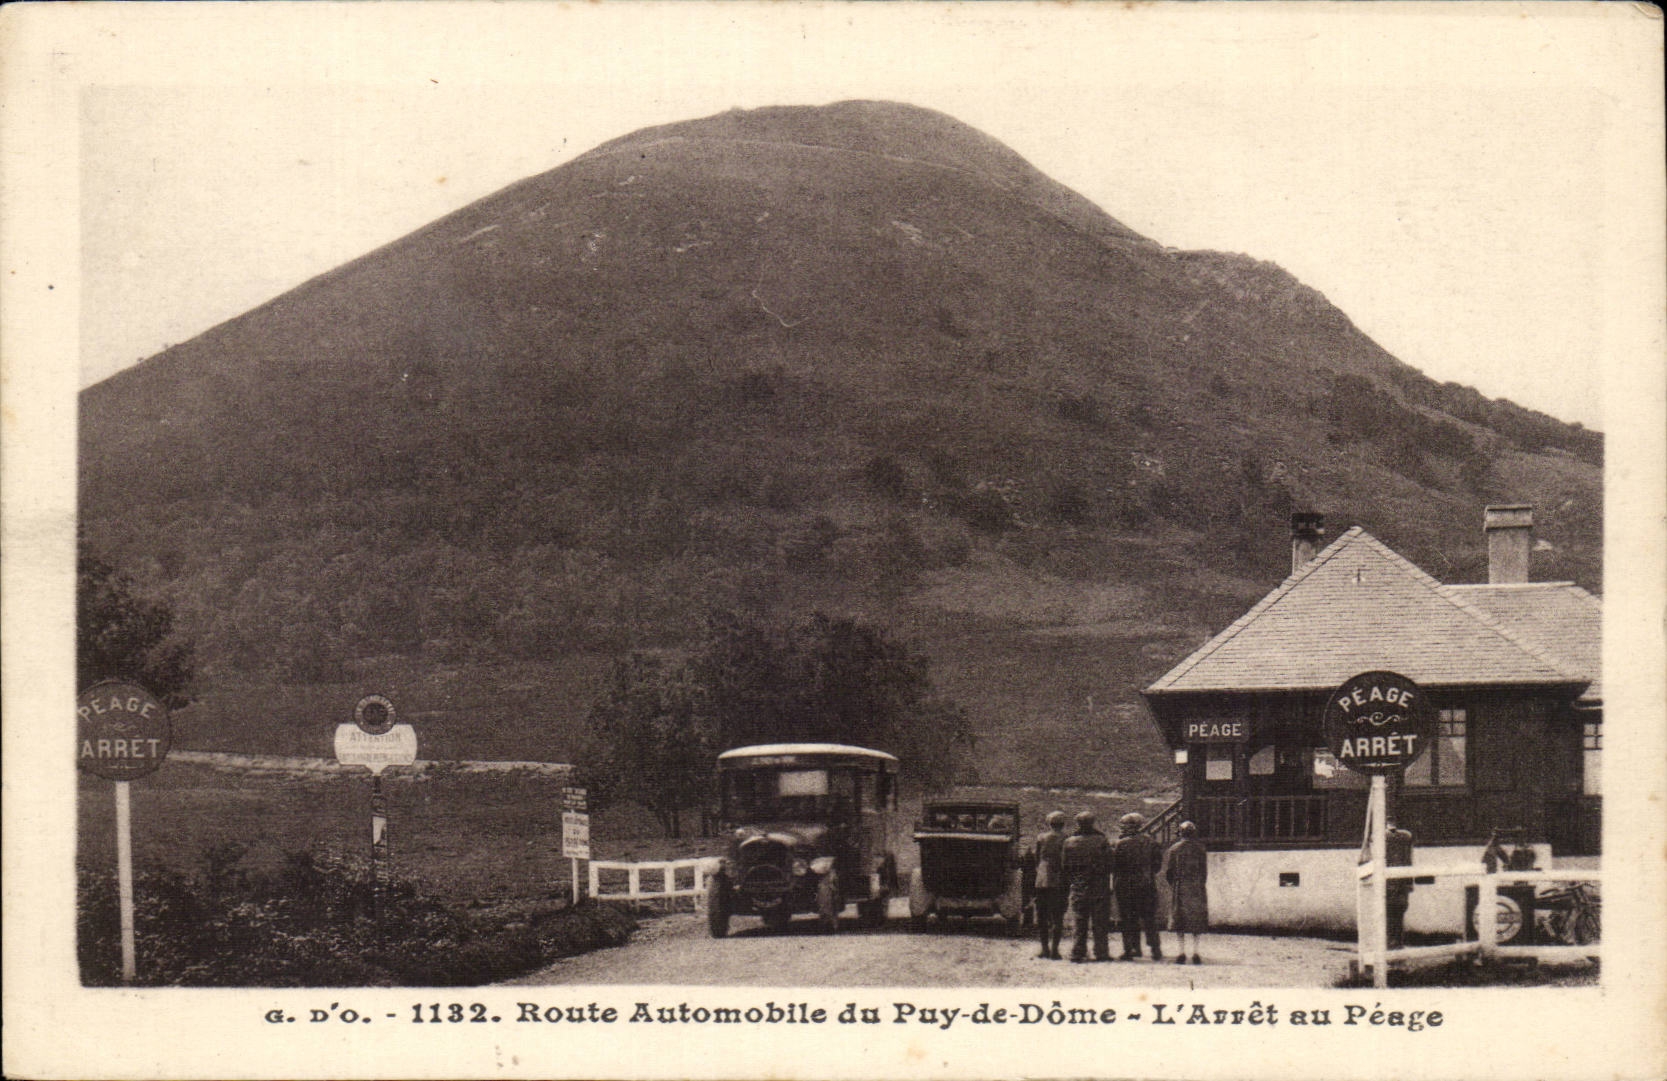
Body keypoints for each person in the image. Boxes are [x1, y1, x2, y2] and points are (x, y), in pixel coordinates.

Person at [1110, 812, 1163, 961]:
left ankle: (1131, 949)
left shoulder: (1120, 844)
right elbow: (1157, 866)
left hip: (1126, 886)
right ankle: (1155, 949)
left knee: (1128, 919)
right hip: (1147, 885)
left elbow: (1114, 866)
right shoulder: (1151, 842)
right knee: (1149, 918)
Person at [1061, 810, 1112, 963]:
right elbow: (1110, 863)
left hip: (1079, 885)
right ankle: (1101, 952)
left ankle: (1077, 952)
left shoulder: (1069, 842)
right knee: (1100, 922)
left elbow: (1065, 866)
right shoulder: (1101, 840)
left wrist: (1074, 880)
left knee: (1079, 920)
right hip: (1099, 886)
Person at [1162, 821, 1208, 964]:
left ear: (1180, 833)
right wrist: (1199, 884)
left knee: (1179, 919)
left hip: (1180, 886)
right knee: (1196, 920)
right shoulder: (1200, 849)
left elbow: (1169, 872)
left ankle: (1181, 952)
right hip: (1196, 887)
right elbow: (1204, 871)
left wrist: (1174, 884)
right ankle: (1196, 952)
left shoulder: (1174, 849)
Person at [1029, 810, 1068, 960]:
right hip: (1059, 880)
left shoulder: (1041, 838)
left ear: (1049, 823)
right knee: (1057, 917)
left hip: (1042, 880)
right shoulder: (1067, 838)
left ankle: (1044, 949)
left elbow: (1037, 859)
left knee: (1042, 916)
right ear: (1062, 824)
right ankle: (1055, 950)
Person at [1384, 820, 1414, 950]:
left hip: (1390, 884)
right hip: (1400, 884)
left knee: (1390, 914)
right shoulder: (1406, 836)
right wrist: (1409, 884)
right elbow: (1409, 860)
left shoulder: (1381, 837)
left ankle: (1392, 945)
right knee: (1397, 914)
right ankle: (1396, 945)